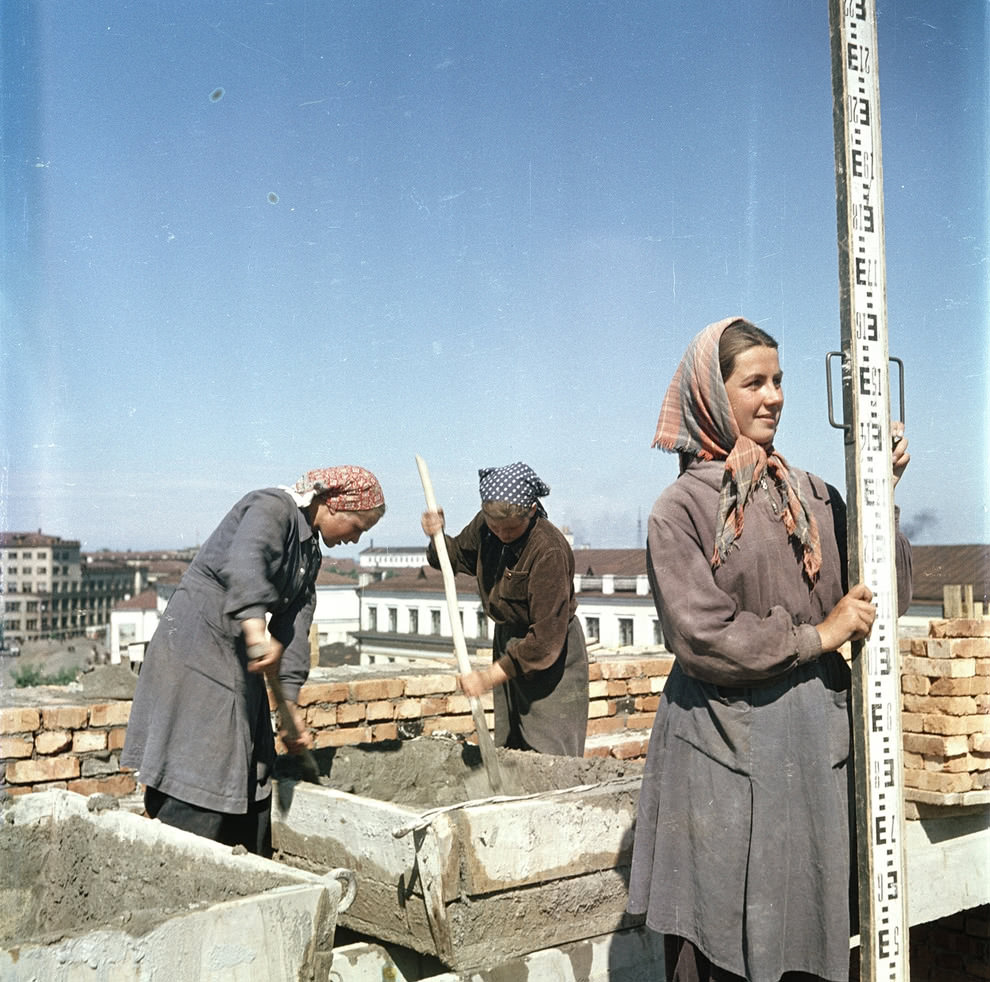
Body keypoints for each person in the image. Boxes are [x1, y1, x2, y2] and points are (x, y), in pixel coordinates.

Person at [627, 318, 913, 982]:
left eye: (778, 380)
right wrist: (818, 636)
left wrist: (881, 499)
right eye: (753, 382)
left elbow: (880, 598)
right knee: (722, 935)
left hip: (810, 756)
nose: (773, 396)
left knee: (805, 934)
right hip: (718, 753)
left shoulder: (809, 495)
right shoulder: (682, 509)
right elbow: (702, 634)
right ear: (710, 395)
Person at [122, 465, 385, 856]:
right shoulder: (271, 507)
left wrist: (289, 705)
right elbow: (247, 560)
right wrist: (254, 627)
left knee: (253, 761)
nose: (356, 539)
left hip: (238, 657)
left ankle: (246, 862)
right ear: (332, 505)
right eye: (357, 527)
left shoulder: (308, 551)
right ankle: (183, 855)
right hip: (197, 648)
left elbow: (295, 622)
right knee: (204, 759)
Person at [421, 462, 589, 756]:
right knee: (511, 746)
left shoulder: (548, 549)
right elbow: (452, 558)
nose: (501, 534)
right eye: (495, 526)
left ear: (532, 511)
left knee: (550, 753)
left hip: (551, 656)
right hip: (507, 645)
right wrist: (436, 536)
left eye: (511, 528)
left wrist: (487, 678)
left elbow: (545, 641)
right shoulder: (486, 528)